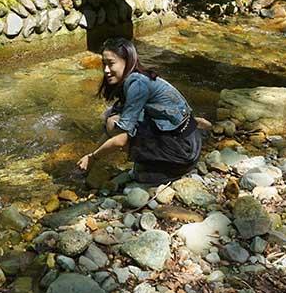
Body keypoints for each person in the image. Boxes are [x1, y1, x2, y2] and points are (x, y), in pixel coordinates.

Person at [76, 37, 208, 185]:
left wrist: (93, 157)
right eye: (104, 64)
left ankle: (150, 166)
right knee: (110, 115)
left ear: (128, 61)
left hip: (183, 153)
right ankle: (150, 164)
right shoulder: (139, 78)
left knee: (113, 122)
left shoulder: (137, 84)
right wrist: (94, 151)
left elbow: (121, 139)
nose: (106, 70)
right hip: (189, 145)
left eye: (111, 64)